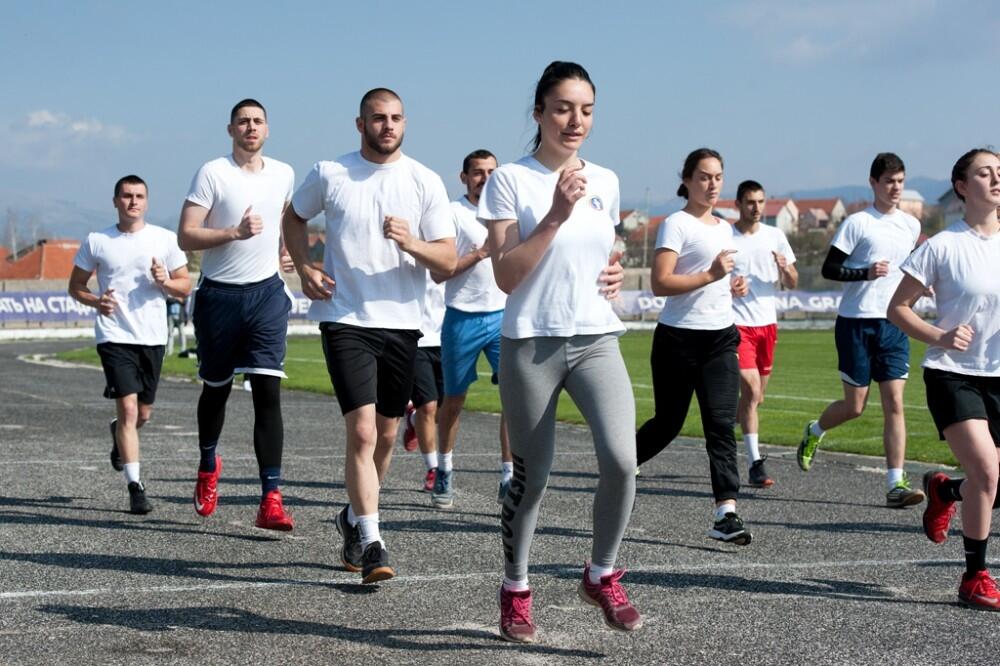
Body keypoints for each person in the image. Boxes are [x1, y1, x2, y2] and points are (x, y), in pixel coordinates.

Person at [480, 61, 640, 643]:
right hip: (532, 343)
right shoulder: (509, 181)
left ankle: (601, 574)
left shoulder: (608, 179)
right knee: (533, 477)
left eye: (587, 110)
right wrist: (555, 213)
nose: (577, 120)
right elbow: (505, 276)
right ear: (540, 114)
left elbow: (602, 250)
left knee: (623, 460)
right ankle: (516, 589)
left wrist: (616, 269)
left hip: (596, 337)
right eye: (565, 108)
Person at [282, 88, 457, 584]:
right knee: (361, 432)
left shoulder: (424, 181)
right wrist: (306, 269)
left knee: (384, 435)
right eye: (378, 118)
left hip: (403, 325)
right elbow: (292, 217)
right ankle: (374, 540)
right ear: (359, 124)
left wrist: (410, 241)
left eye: (396, 118)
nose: (388, 126)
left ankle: (354, 519)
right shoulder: (330, 173)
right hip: (345, 319)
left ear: (406, 123)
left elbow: (445, 262)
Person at [888, 148, 1000, 610]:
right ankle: (975, 576)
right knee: (987, 471)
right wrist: (941, 335)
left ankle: (944, 490)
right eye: (984, 172)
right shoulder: (941, 246)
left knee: (989, 482)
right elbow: (897, 309)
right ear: (961, 186)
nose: (996, 178)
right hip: (953, 374)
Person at [178, 98, 297, 531]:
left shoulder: (284, 173)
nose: (251, 127)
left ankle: (271, 498)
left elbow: (287, 218)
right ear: (230, 130)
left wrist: (288, 249)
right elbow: (186, 234)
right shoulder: (213, 173)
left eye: (258, 121)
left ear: (267, 129)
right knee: (216, 390)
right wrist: (234, 232)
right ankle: (209, 465)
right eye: (243, 121)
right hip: (219, 298)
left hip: (267, 294)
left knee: (268, 392)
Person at [635, 148, 752, 546]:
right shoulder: (675, 224)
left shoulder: (725, 227)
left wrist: (732, 284)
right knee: (668, 424)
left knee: (720, 426)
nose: (713, 184)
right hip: (678, 338)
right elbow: (661, 283)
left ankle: (726, 513)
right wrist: (711, 274)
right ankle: (623, 465)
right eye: (704, 176)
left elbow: (717, 279)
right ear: (686, 180)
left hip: (720, 337)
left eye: (718, 176)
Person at [798, 152, 925, 508]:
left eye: (900, 181)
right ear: (874, 184)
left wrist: (921, 288)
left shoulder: (911, 225)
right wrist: (864, 273)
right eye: (888, 182)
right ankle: (816, 430)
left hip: (895, 323)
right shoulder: (858, 223)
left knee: (895, 403)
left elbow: (912, 268)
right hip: (856, 322)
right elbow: (830, 268)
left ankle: (895, 483)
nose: (895, 188)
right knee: (855, 407)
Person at [69, 175, 190, 514]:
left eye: (139, 196)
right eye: (126, 196)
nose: (132, 201)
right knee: (129, 409)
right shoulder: (97, 241)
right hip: (114, 335)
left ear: (146, 202)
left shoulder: (165, 240)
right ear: (115, 201)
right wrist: (96, 302)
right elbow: (76, 286)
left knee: (143, 414)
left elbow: (185, 286)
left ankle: (119, 437)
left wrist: (165, 281)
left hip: (152, 337)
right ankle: (136, 487)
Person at [430, 149, 512, 509]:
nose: (485, 178)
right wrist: (479, 254)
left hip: (503, 317)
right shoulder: (452, 213)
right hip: (462, 316)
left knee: (514, 398)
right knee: (454, 401)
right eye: (478, 172)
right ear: (464, 177)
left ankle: (509, 475)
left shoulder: (507, 213)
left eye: (492, 172)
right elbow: (439, 272)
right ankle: (443, 470)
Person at [730, 180, 798, 488]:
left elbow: (793, 281)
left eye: (760, 202)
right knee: (753, 391)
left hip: (767, 325)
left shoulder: (776, 236)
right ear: (738, 204)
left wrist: (785, 269)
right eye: (750, 202)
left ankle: (732, 417)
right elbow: (712, 279)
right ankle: (755, 464)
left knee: (756, 399)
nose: (756, 207)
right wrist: (730, 286)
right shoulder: (726, 237)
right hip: (737, 325)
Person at [405, 279, 446, 496]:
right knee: (428, 406)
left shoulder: (457, 248)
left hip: (450, 336)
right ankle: (433, 468)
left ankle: (413, 420)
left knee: (446, 408)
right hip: (417, 338)